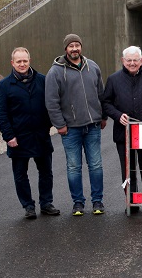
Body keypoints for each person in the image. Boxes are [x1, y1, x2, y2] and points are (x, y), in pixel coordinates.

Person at [45, 34, 107, 217]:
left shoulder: (93, 66)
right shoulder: (55, 72)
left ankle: (97, 201)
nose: (74, 49)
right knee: (74, 167)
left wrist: (103, 116)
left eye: (77, 45)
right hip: (70, 129)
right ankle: (78, 203)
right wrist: (59, 125)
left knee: (96, 165)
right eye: (71, 46)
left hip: (93, 126)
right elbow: (51, 102)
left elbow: (101, 93)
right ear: (65, 49)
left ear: (81, 47)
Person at [0, 47, 59, 220]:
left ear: (29, 61)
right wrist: (8, 136)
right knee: (20, 174)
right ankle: (28, 206)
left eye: (25, 61)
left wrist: (49, 126)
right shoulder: (4, 85)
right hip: (18, 138)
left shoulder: (43, 81)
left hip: (41, 136)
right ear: (12, 63)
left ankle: (46, 203)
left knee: (46, 172)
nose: (22, 64)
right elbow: (1, 113)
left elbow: (51, 105)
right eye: (18, 61)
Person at [102, 46, 142, 214]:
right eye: (129, 60)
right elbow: (106, 103)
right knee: (128, 169)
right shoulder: (113, 80)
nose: (132, 63)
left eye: (135, 60)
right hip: (123, 133)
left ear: (141, 61)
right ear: (123, 61)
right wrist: (117, 115)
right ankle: (132, 201)